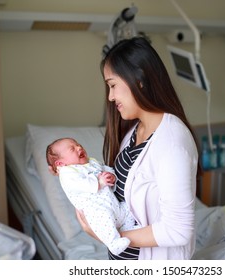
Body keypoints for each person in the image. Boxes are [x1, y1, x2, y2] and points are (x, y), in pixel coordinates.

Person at [77, 36, 199, 260]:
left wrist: (112, 236)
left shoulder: (172, 142)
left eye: (113, 86)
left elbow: (178, 230)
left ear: (139, 79)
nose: (111, 97)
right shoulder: (134, 132)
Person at [46, 137, 138, 255]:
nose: (79, 147)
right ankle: (113, 243)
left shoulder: (91, 162)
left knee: (127, 208)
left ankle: (128, 228)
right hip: (97, 209)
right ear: (61, 163)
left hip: (114, 205)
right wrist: (99, 182)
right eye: (72, 148)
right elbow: (81, 184)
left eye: (78, 144)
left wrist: (111, 175)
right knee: (104, 221)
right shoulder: (67, 173)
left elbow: (104, 169)